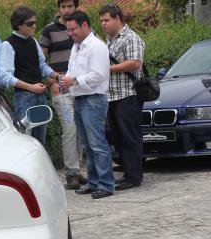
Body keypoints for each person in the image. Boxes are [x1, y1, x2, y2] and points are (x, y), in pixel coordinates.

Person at [59, 11, 114, 199]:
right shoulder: (77, 47)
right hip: (80, 98)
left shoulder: (96, 46)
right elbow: (71, 70)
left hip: (93, 99)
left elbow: (99, 74)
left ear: (84, 25)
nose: (70, 33)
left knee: (97, 144)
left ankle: (106, 184)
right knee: (87, 145)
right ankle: (93, 183)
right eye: (68, 30)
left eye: (73, 29)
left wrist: (73, 80)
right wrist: (66, 80)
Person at [40, 0, 86, 190]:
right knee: (69, 129)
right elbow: (40, 61)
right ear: (58, 8)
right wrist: (52, 82)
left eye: (70, 6)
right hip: (61, 91)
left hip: (80, 89)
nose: (66, 10)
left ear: (76, 7)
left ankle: (78, 170)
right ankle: (71, 174)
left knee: (80, 131)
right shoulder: (48, 30)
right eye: (63, 6)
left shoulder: (82, 28)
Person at [100, 3, 145, 191]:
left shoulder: (130, 37)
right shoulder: (108, 39)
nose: (103, 24)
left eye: (106, 20)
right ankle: (128, 173)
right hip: (112, 96)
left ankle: (134, 177)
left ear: (117, 18)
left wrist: (108, 69)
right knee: (118, 138)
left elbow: (135, 63)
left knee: (130, 137)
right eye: (101, 20)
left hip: (128, 94)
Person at [0, 6, 57, 145]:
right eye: (30, 24)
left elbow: (41, 65)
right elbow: (5, 76)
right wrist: (31, 87)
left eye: (35, 22)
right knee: (24, 141)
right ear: (19, 24)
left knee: (40, 142)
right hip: (24, 98)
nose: (34, 26)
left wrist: (55, 75)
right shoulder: (8, 44)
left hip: (40, 95)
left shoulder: (33, 41)